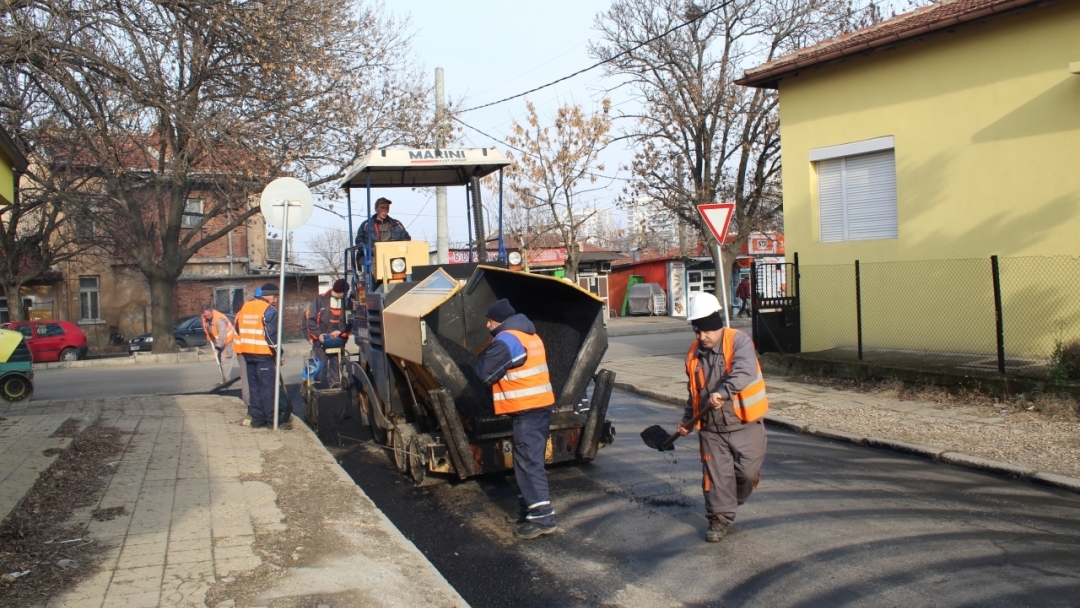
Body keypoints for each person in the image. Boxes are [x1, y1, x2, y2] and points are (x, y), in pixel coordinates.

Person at [678, 292, 768, 542]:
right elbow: (693, 392)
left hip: (743, 423)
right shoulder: (693, 352)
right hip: (712, 429)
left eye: (706, 331)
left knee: (747, 474)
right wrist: (688, 419)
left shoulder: (738, 341)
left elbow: (745, 370)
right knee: (716, 478)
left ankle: (729, 502)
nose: (701, 336)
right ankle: (718, 517)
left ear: (717, 326)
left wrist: (723, 393)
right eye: (697, 331)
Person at [475, 298, 557, 540]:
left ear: (498, 321)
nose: (487, 324)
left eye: (489, 320)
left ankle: (543, 518)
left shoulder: (507, 340)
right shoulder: (528, 335)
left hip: (528, 410)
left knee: (529, 463)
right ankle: (528, 509)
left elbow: (484, 373)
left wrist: (486, 352)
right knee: (525, 461)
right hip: (537, 406)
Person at [234, 283, 292, 429]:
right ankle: (273, 421)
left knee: (255, 388)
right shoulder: (269, 310)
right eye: (274, 296)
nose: (276, 300)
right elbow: (271, 337)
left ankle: (258, 419)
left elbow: (238, 329)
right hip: (263, 355)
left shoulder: (245, 307)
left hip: (248, 354)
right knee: (268, 389)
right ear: (266, 295)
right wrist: (279, 354)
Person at [304, 278, 351, 389]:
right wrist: (319, 335)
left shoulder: (347, 302)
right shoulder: (320, 300)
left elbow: (351, 321)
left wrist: (340, 331)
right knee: (321, 369)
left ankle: (336, 390)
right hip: (321, 341)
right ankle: (322, 392)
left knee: (337, 367)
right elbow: (311, 321)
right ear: (341, 291)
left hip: (337, 340)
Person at [201, 304, 237, 383]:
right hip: (219, 341)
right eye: (205, 316)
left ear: (212, 311)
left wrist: (217, 348)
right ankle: (224, 378)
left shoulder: (219, 320)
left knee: (225, 360)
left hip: (228, 340)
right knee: (220, 360)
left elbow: (223, 336)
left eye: (208, 315)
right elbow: (208, 328)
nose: (207, 317)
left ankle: (226, 381)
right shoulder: (205, 317)